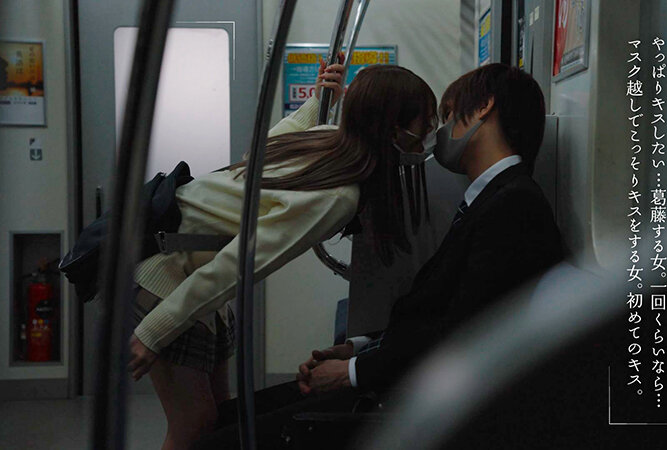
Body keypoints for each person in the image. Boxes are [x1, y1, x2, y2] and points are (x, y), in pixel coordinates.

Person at [193, 63, 563, 449]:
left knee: (216, 442)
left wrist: (352, 371)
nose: (440, 133)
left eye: (449, 114)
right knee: (223, 419)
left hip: (414, 398)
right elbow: (439, 314)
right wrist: (360, 347)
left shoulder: (513, 205)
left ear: (484, 106)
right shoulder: (490, 198)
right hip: (397, 374)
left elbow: (463, 332)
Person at [126, 60, 439, 449]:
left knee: (217, 421)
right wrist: (154, 331)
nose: (430, 133)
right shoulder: (338, 194)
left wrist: (319, 101)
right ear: (393, 129)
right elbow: (238, 264)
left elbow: (259, 153)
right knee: (194, 423)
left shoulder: (329, 140)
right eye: (425, 123)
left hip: (192, 279)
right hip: (169, 278)